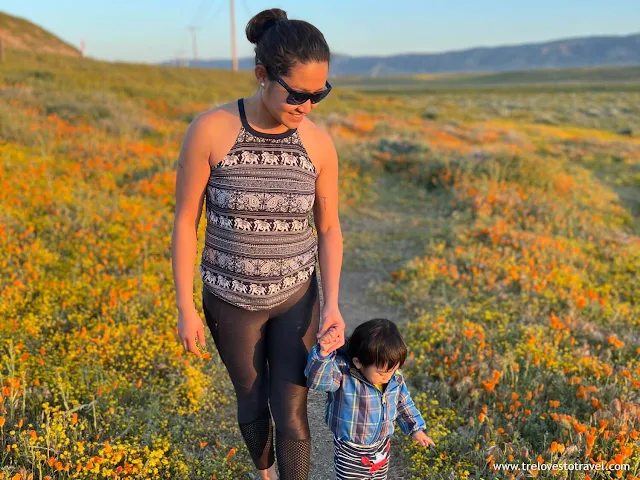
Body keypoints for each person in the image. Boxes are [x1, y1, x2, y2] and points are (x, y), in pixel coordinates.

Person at [171, 7, 346, 480]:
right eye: (298, 95)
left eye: (319, 95)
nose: (307, 107)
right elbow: (186, 220)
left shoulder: (319, 145)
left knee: (292, 413)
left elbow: (328, 228)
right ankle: (264, 473)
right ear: (262, 75)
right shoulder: (210, 130)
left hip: (296, 298)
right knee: (250, 399)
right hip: (229, 301)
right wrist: (185, 305)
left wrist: (332, 305)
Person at [305, 318, 435, 480]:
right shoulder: (344, 372)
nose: (387, 377)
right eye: (381, 373)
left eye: (393, 370)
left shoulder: (394, 379)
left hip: (381, 445)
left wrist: (416, 429)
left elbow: (404, 403)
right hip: (351, 447)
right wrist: (323, 355)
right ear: (358, 362)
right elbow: (318, 382)